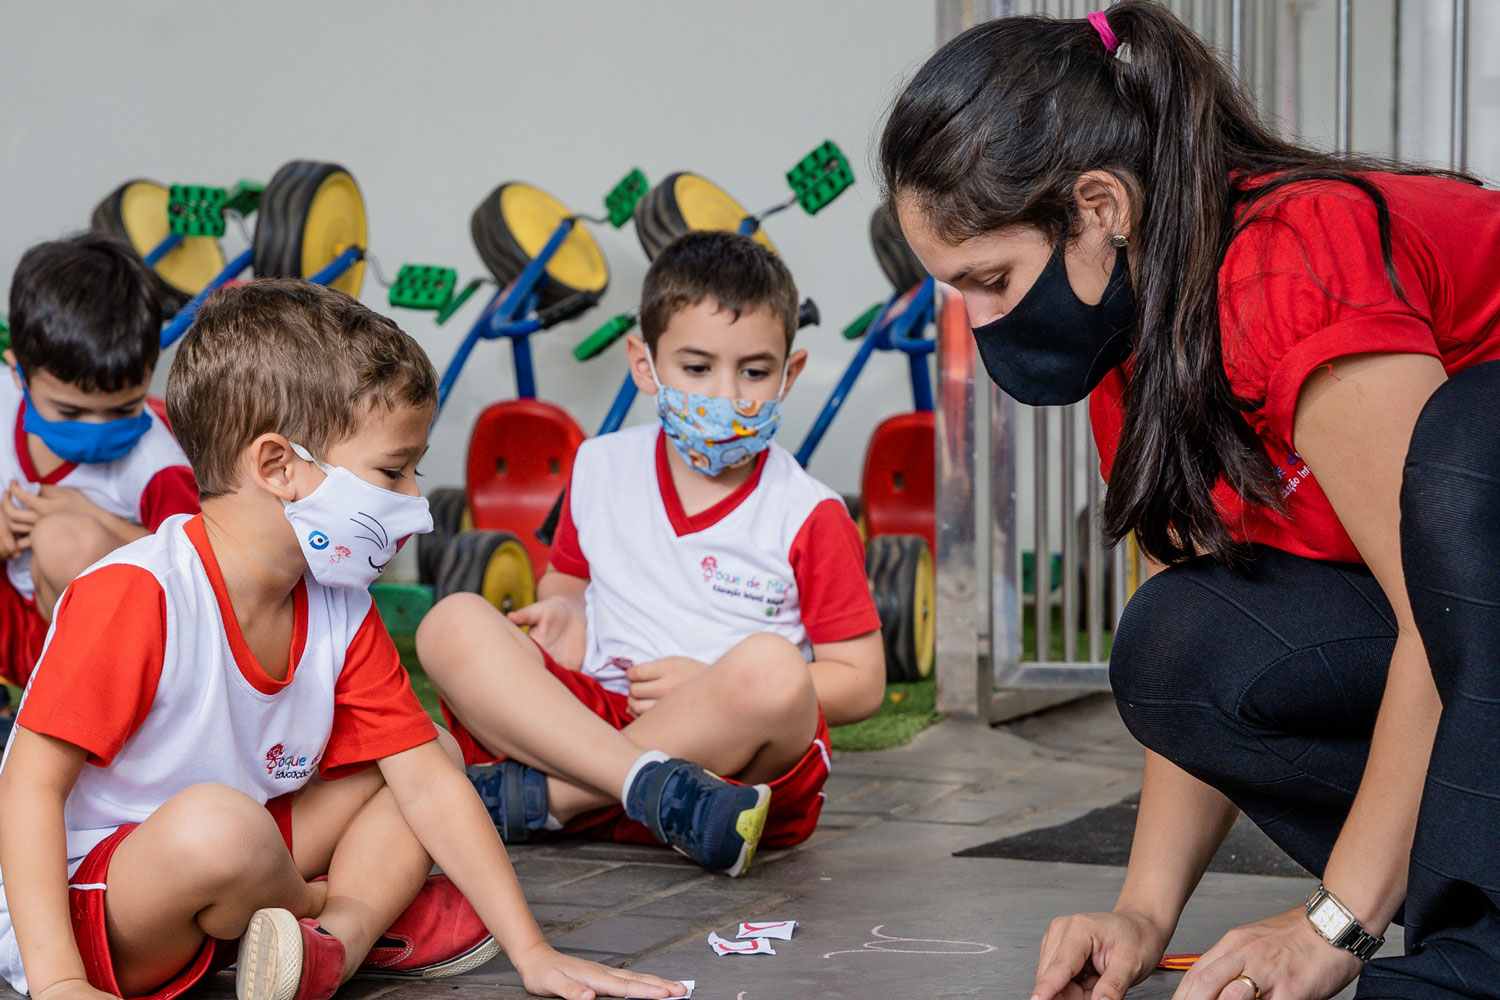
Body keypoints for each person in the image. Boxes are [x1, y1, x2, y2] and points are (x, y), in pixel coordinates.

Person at [881, 4, 1500, 1000]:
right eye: (958, 293)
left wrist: (1333, 921)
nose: (982, 323)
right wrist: (1141, 910)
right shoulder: (1142, 339)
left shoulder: (1293, 258)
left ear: (1096, 206)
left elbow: (1450, 614)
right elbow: (1202, 608)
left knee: (1467, 453)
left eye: (991, 280)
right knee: (1177, 642)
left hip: (1480, 588)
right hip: (1472, 649)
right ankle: (1463, 897)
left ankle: (1473, 952)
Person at [0, 281, 687, 1000]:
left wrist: (534, 953)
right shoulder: (140, 592)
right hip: (102, 912)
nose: (416, 501)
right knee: (220, 827)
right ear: (278, 468)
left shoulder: (339, 606)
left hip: (247, 854)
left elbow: (426, 782)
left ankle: (333, 945)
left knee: (433, 757)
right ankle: (318, 909)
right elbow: (27, 788)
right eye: (393, 469)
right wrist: (56, 984)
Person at [420, 230, 885, 877]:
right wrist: (561, 611)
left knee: (772, 673)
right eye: (696, 369)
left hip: (724, 760)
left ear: (790, 373)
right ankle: (647, 794)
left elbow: (861, 680)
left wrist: (710, 683)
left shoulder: (808, 512)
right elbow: (567, 583)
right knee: (451, 623)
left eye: (753, 371)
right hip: (597, 722)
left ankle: (550, 801)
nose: (725, 395)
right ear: (645, 364)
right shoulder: (600, 464)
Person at [0, 234, 199, 716]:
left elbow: (203, 572)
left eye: (123, 409)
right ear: (18, 371)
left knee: (67, 539)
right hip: (14, 624)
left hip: (99, 652)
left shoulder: (158, 462)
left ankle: (76, 713)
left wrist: (96, 518)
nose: (97, 431)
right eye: (69, 411)